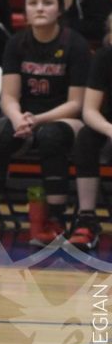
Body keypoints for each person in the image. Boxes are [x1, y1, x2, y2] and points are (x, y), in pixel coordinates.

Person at [0, 0, 89, 247]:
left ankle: (54, 221)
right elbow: (9, 95)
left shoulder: (75, 45)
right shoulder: (16, 43)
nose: (39, 8)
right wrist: (17, 118)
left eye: (47, 3)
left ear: (60, 10)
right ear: (24, 10)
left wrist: (37, 120)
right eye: (33, 3)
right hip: (25, 118)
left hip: (65, 117)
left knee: (50, 135)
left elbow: (76, 103)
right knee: (1, 131)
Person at [69, 24, 112, 252]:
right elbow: (90, 111)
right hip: (108, 126)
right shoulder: (105, 56)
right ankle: (87, 219)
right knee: (86, 137)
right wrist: (109, 129)